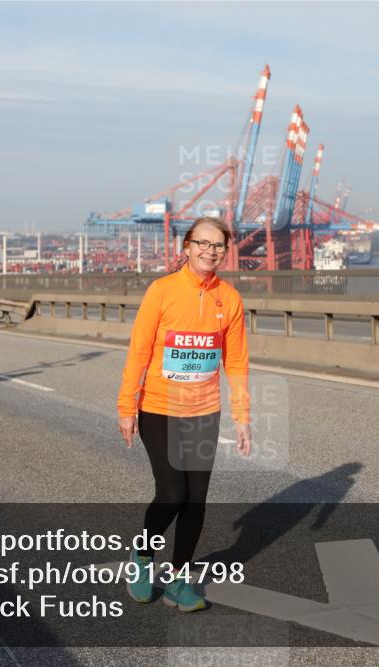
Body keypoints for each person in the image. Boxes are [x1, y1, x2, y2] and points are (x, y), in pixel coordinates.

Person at [117, 216, 251, 612]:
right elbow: (138, 352)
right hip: (159, 407)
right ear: (187, 247)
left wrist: (242, 416)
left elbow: (237, 361)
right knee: (172, 495)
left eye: (218, 246)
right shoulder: (162, 292)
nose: (210, 252)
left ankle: (178, 580)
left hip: (203, 412)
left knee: (196, 502)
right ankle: (142, 558)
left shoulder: (229, 299)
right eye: (202, 244)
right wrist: (127, 407)